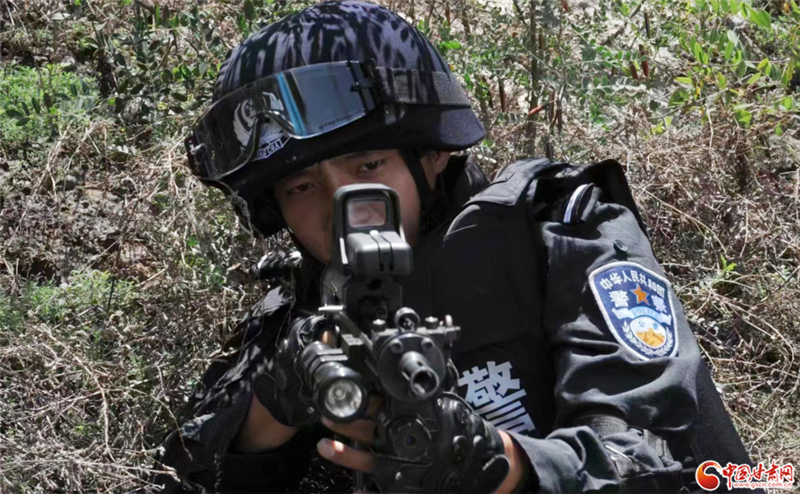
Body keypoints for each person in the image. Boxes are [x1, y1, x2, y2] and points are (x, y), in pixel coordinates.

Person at [156, 1, 756, 492]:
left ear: (434, 153)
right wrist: (272, 409)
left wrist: (502, 467)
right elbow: (184, 472)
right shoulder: (304, 310)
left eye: (368, 165)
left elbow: (656, 450)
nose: (340, 204)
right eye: (301, 188)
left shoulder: (559, 227)